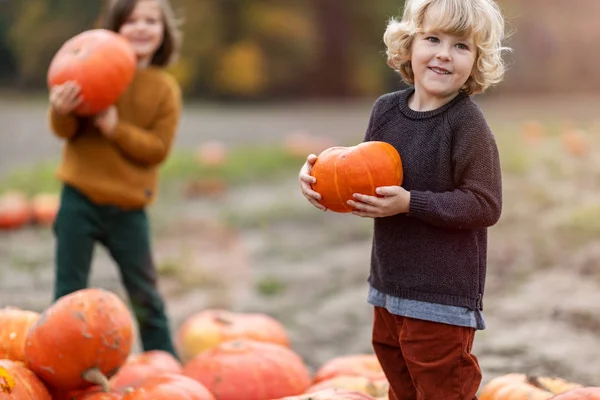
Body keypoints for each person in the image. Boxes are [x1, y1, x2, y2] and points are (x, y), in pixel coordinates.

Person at [299, 0, 509, 398]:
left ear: (477, 60)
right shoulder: (386, 111)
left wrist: (411, 202)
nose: (444, 54)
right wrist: (317, 180)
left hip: (440, 297)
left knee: (440, 387)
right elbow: (357, 176)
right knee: (401, 385)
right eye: (433, 39)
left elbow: (485, 203)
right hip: (387, 285)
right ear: (409, 45)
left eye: (462, 45)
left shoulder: (466, 123)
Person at [48, 0, 182, 359]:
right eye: (132, 20)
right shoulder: (84, 73)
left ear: (163, 32)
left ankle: (165, 364)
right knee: (69, 291)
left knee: (145, 295)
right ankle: (60, 364)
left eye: (151, 21)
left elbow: (157, 149)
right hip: (79, 200)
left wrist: (115, 129)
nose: (141, 28)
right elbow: (66, 131)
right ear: (113, 28)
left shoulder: (163, 89)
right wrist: (60, 110)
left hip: (128, 209)